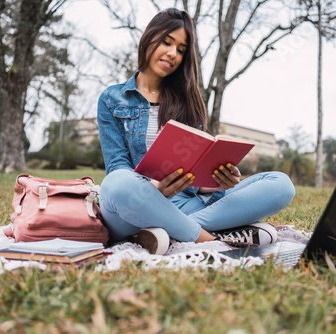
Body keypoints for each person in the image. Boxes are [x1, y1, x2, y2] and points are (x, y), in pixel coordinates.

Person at [97, 8, 295, 255]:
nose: (173, 53)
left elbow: (194, 173)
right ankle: (210, 238)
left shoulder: (186, 101)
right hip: (133, 206)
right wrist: (154, 190)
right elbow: (117, 167)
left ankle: (162, 235)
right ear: (149, 38)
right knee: (116, 183)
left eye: (181, 50)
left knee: (281, 184)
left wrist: (218, 183)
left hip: (184, 203)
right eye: (167, 42)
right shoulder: (111, 98)